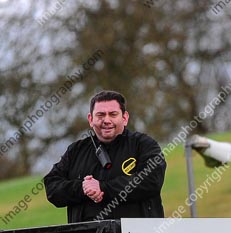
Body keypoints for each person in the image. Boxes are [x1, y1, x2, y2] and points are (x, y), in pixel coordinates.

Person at [44, 90, 166, 222]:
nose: (106, 120)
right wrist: (82, 188)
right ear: (90, 119)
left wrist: (103, 188)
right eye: (100, 115)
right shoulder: (76, 150)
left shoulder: (143, 144)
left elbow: (152, 180)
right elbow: (52, 187)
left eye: (113, 114)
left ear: (124, 118)